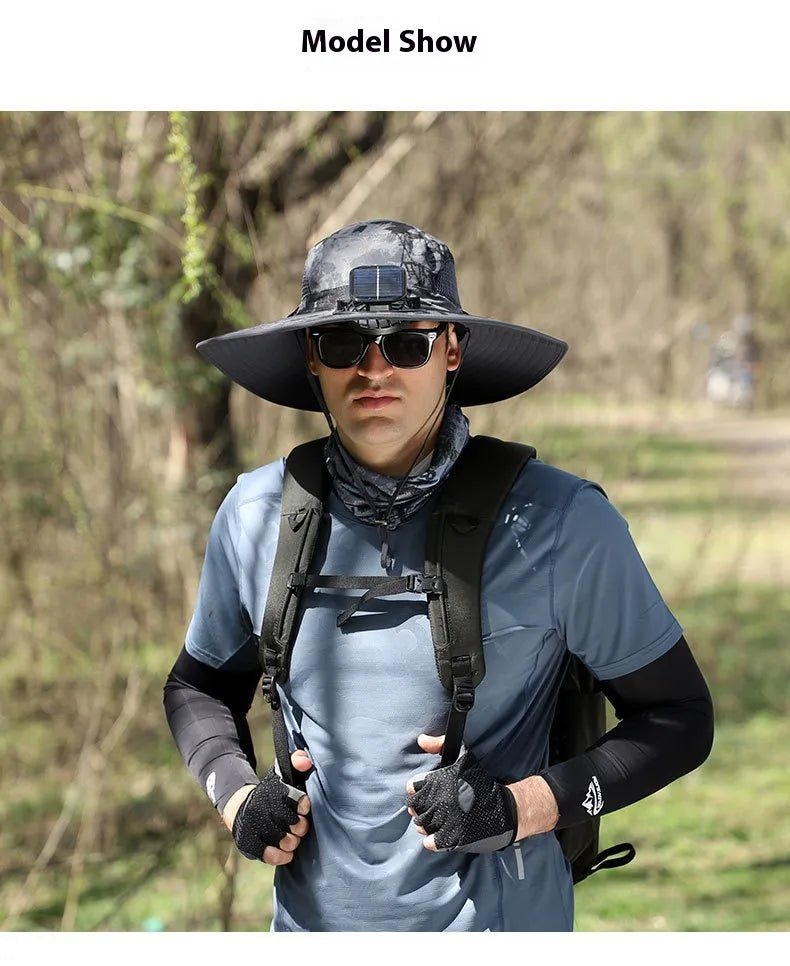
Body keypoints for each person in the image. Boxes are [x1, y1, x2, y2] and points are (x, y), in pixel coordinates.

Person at [163, 219, 714, 932]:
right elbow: (197, 687)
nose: (374, 370)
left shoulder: (560, 523)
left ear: (450, 349)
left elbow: (679, 720)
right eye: (343, 343)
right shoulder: (256, 515)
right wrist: (239, 798)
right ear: (311, 358)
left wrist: (521, 808)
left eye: (406, 343)